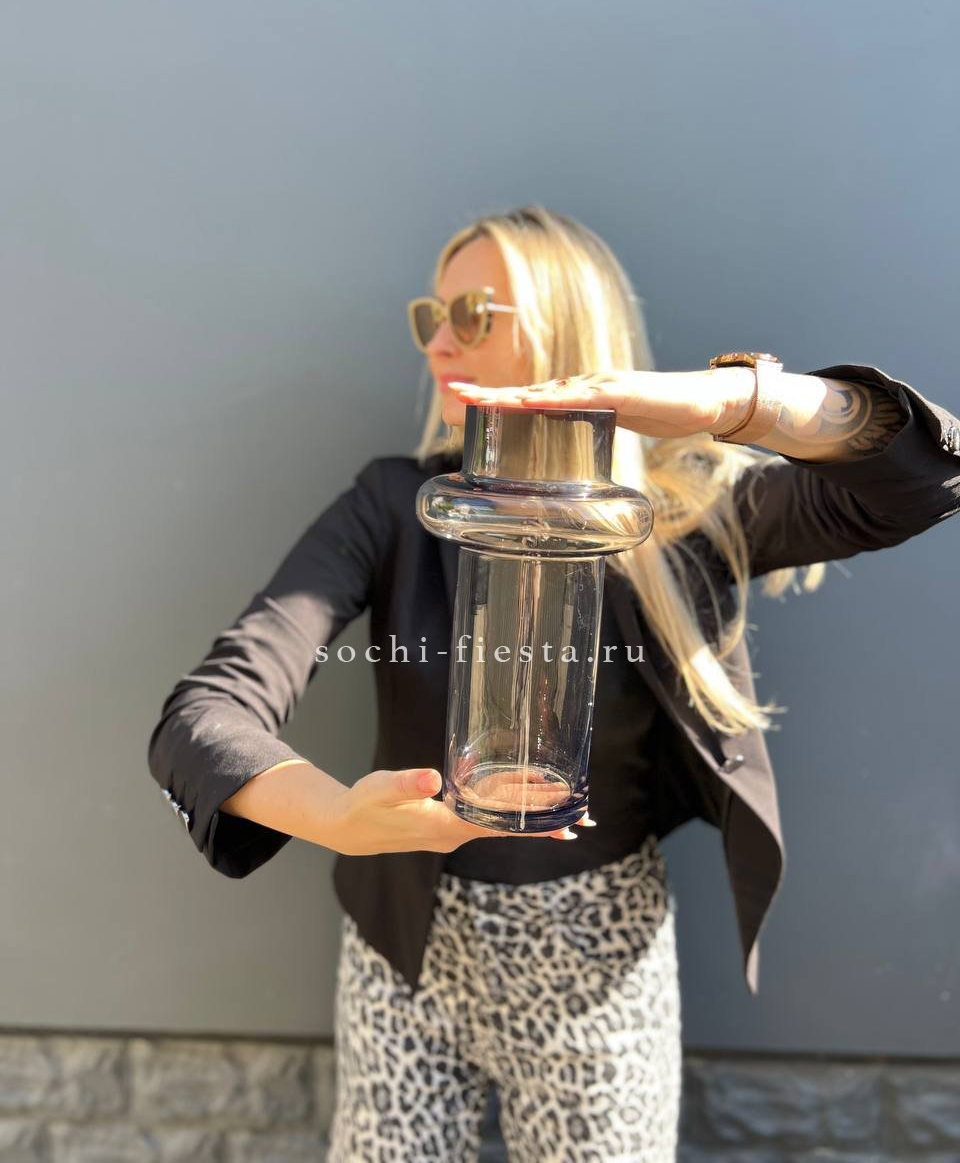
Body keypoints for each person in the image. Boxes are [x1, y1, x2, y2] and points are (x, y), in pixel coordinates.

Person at [148, 205, 960, 1162]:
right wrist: (333, 815)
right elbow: (206, 711)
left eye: (474, 313)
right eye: (431, 317)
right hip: (404, 946)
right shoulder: (397, 505)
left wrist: (731, 402)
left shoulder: (685, 515)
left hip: (599, 958)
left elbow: (926, 480)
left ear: (569, 327)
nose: (440, 341)